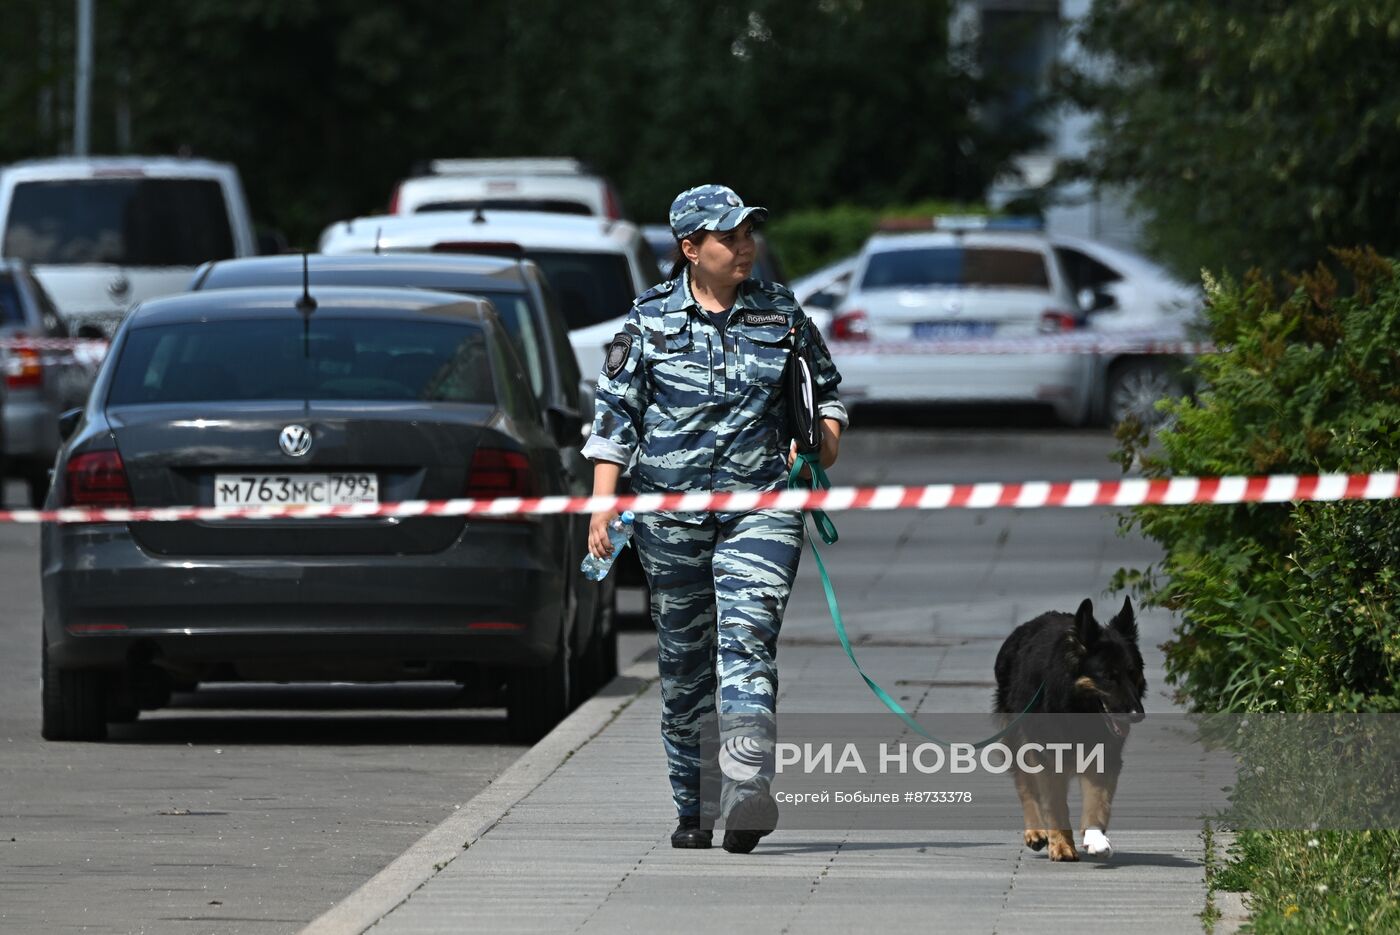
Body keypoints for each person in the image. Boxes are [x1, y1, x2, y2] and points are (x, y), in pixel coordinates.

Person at [581, 184, 847, 854]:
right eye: (729, 238)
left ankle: (747, 787)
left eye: (749, 234)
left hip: (761, 507)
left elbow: (827, 395)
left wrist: (819, 444)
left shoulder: (782, 313)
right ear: (690, 248)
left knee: (747, 641)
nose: (745, 247)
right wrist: (602, 504)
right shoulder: (648, 320)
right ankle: (695, 803)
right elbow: (614, 418)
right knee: (684, 664)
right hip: (670, 517)